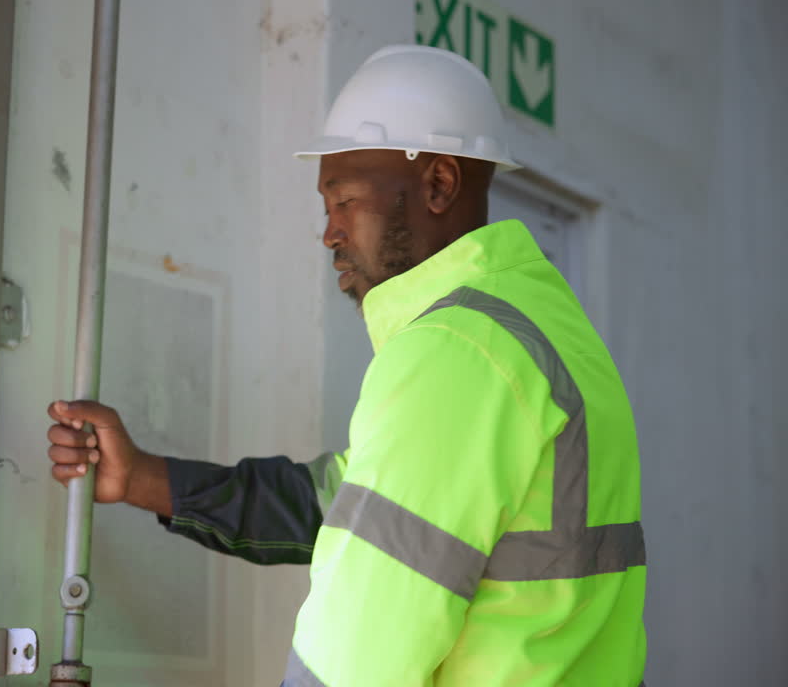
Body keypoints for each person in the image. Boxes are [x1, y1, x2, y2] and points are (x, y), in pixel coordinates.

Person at [46, 45, 646, 686]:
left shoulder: (458, 349)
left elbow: (360, 650)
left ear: (438, 184)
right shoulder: (543, 324)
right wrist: (138, 476)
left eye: (345, 201)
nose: (329, 232)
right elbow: (335, 500)